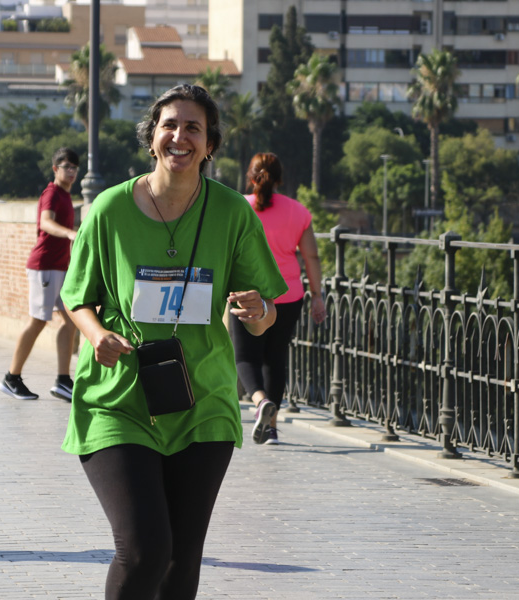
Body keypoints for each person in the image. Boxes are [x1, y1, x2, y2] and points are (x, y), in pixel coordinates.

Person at [60, 84, 286, 599]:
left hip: (201, 401)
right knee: (144, 550)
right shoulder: (110, 210)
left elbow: (264, 316)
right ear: (151, 137)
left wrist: (259, 312)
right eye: (169, 125)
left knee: (182, 561)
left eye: (193, 128)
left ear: (210, 145)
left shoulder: (232, 213)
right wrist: (97, 336)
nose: (179, 136)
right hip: (120, 399)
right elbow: (78, 298)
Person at [232, 153, 326, 446]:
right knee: (275, 358)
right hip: (289, 294)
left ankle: (260, 402)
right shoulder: (298, 212)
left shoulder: (239, 208)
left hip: (247, 295)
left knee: (245, 356)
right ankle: (271, 428)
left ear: (251, 176)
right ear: (280, 177)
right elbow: (311, 256)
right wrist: (317, 296)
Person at [0, 148, 81, 401]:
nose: (72, 172)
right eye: (67, 167)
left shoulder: (65, 196)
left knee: (72, 320)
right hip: (44, 266)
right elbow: (45, 222)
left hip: (60, 266)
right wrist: (68, 233)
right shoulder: (52, 194)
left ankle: (63, 381)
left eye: (75, 168)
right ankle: (11, 378)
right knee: (38, 321)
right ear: (55, 169)